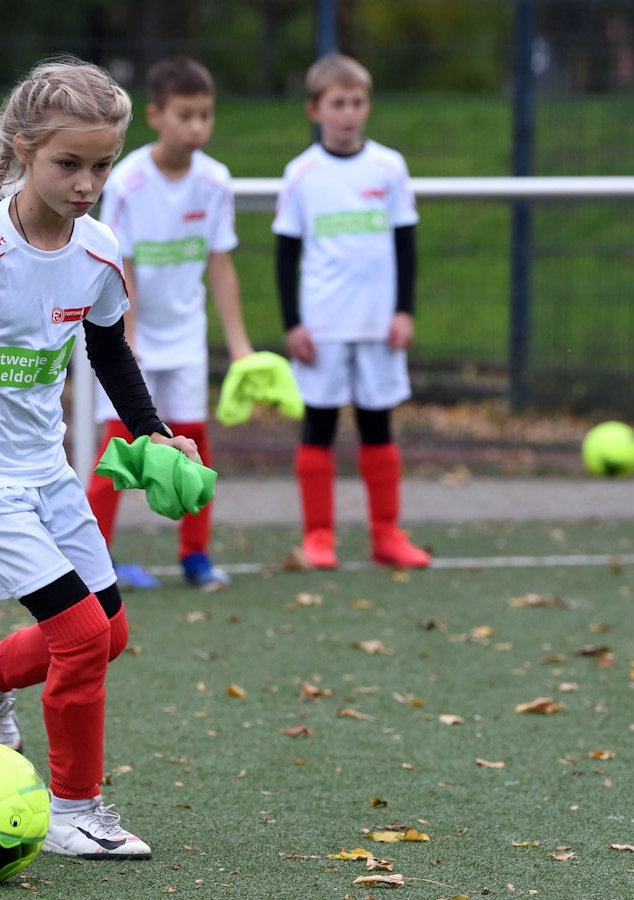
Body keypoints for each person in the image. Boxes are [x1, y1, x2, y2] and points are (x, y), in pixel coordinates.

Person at [0, 56, 203, 861]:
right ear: (22, 149)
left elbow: (108, 349)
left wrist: (152, 431)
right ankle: (72, 810)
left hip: (46, 473)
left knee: (108, 635)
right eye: (68, 164)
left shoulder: (98, 252)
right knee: (83, 636)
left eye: (102, 165)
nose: (87, 183)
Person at [86, 56, 255, 591]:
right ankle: (94, 560)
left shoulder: (215, 181)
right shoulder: (130, 179)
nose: (198, 127)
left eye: (206, 115)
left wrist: (241, 349)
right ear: (156, 115)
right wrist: (126, 339)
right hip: (132, 340)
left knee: (194, 444)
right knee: (121, 444)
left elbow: (221, 266)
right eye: (186, 115)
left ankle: (196, 556)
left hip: (185, 341)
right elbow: (120, 264)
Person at [272, 53, 431, 570]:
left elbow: (406, 245)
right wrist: (293, 322)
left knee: (377, 424)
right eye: (338, 103)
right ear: (314, 109)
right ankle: (319, 538)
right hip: (322, 328)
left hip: (379, 326)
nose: (348, 112)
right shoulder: (302, 174)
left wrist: (404, 311)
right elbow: (286, 255)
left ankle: (386, 535)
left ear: (368, 106)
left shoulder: (389, 167)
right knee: (318, 425)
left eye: (357, 102)